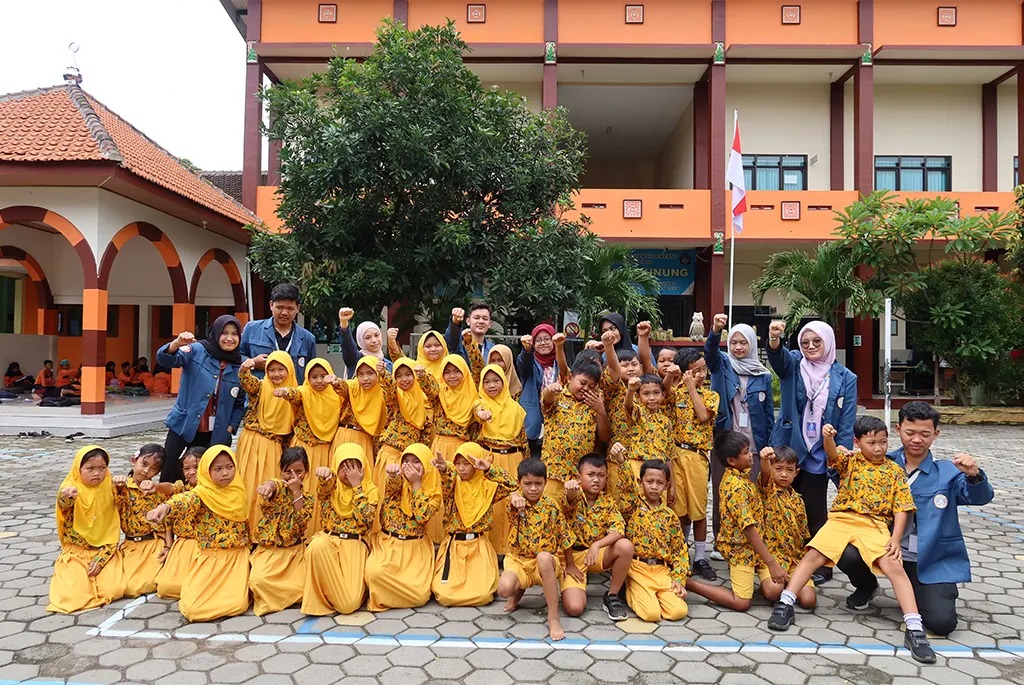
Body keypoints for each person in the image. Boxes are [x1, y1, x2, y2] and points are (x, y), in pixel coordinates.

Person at [766, 417, 936, 665]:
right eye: (871, 443)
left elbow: (902, 508)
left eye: (883, 442)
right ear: (857, 442)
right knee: (814, 554)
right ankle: (786, 603)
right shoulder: (850, 461)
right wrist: (827, 438)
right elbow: (832, 455)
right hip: (841, 519)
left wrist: (896, 539)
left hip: (874, 524)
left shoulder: (894, 471)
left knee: (893, 565)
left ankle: (914, 628)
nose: (878, 448)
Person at [837, 401, 993, 636]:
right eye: (910, 432)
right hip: (883, 550)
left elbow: (980, 497)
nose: (916, 439)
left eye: (925, 434)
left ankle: (920, 592)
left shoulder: (948, 472)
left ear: (936, 434)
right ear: (898, 429)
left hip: (929, 558)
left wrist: (975, 475)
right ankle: (867, 585)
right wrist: (841, 458)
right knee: (842, 548)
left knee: (941, 623)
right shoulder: (877, 462)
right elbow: (844, 483)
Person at [766, 319, 857, 584]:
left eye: (817, 341)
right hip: (790, 446)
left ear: (828, 342)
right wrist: (774, 338)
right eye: (805, 342)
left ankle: (822, 564)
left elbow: (847, 419)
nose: (810, 346)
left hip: (820, 449)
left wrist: (841, 450)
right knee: (780, 502)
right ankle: (784, 554)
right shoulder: (794, 363)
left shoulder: (846, 377)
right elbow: (778, 359)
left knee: (815, 509)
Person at [686, 432, 790, 612]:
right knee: (741, 603)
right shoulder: (735, 487)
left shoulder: (742, 474)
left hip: (758, 547)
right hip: (740, 550)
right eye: (746, 452)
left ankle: (756, 581)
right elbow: (749, 529)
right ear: (732, 461)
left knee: (774, 590)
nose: (750, 455)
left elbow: (765, 481)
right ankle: (690, 584)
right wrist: (771, 563)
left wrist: (765, 460)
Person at [146, 445, 251, 623]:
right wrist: (165, 507)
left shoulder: (238, 490)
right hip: (209, 557)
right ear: (207, 471)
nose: (225, 473)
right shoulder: (201, 494)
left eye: (229, 467)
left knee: (237, 604)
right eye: (218, 469)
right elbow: (184, 499)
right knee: (193, 608)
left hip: (236, 557)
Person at [705, 314, 775, 538]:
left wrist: (770, 445)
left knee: (753, 493)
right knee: (722, 492)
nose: (738, 347)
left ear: (751, 344)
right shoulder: (723, 365)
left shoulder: (763, 375)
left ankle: (752, 540)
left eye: (743, 342)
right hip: (727, 441)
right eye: (734, 342)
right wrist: (716, 331)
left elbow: (768, 414)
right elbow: (710, 354)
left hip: (754, 444)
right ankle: (721, 538)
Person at [156, 316, 245, 484]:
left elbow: (240, 404)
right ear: (215, 333)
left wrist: (230, 427)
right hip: (183, 424)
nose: (229, 338)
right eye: (224, 333)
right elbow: (165, 359)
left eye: (234, 334)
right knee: (170, 471)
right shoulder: (197, 350)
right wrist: (177, 343)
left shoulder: (240, 365)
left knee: (206, 477)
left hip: (216, 433)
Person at [430, 442, 517, 606]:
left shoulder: (487, 488)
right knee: (444, 595)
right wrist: (445, 468)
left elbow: (512, 484)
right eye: (458, 463)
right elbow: (447, 477)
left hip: (478, 547)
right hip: (454, 547)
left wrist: (488, 469)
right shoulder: (453, 485)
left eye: (466, 464)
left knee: (483, 595)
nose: (461, 468)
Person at [496, 457, 571, 641]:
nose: (533, 488)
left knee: (544, 558)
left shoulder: (551, 505)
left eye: (538, 483)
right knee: (503, 589)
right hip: (520, 561)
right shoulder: (514, 504)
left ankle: (553, 617)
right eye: (527, 484)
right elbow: (503, 482)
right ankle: (517, 593)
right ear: (519, 483)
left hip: (545, 563)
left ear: (545, 482)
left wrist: (570, 565)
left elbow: (565, 536)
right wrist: (513, 494)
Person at [303, 444, 380, 616]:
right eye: (344, 467)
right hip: (329, 540)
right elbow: (323, 488)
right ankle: (320, 600)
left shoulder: (370, 490)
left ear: (363, 468)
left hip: (354, 543)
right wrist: (325, 475)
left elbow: (365, 519)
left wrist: (357, 486)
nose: (349, 473)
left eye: (355, 466)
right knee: (316, 546)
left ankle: (334, 597)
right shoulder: (332, 486)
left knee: (349, 604)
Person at [47, 446, 125, 614]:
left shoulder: (109, 487)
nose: (97, 473)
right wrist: (66, 496)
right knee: (72, 598)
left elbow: (113, 528)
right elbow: (64, 503)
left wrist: (101, 559)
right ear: (78, 469)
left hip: (104, 550)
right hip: (77, 552)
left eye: (102, 468)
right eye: (90, 468)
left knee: (114, 590)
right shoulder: (71, 488)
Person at [364, 443, 442, 611]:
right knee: (374, 573)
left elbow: (421, 516)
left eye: (416, 461)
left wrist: (416, 484)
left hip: (415, 549)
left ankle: (392, 596)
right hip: (389, 546)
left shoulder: (433, 494)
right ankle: (390, 596)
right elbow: (393, 485)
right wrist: (393, 474)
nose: (410, 466)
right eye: (406, 461)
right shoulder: (398, 483)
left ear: (426, 465)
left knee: (420, 596)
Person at [613, 459, 689, 623]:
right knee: (651, 614)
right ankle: (629, 588)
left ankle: (656, 596)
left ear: (667, 486)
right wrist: (622, 462)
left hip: (662, 571)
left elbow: (679, 550)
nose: (654, 486)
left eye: (659, 483)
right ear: (640, 482)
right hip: (638, 568)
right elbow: (627, 488)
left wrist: (679, 579)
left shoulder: (670, 516)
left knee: (678, 611)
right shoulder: (632, 506)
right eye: (649, 481)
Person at [560, 453, 633, 621]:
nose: (596, 480)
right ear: (579, 477)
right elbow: (567, 506)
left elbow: (618, 530)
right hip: (571, 559)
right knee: (575, 608)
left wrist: (597, 545)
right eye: (590, 474)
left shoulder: (607, 501)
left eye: (601, 475)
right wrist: (570, 492)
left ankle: (612, 595)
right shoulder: (573, 495)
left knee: (625, 546)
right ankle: (566, 583)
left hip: (594, 556)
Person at [668, 347, 719, 580]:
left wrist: (691, 387)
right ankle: (680, 553)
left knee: (698, 509)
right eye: (695, 371)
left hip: (697, 456)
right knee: (679, 508)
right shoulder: (675, 393)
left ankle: (699, 557)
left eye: (703, 369)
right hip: (676, 454)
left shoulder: (710, 395)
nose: (701, 374)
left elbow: (703, 416)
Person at [274, 358, 341, 533]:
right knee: (298, 487)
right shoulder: (304, 392)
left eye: (323, 376)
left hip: (324, 452)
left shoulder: (337, 397)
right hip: (301, 452)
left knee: (320, 492)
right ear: (307, 378)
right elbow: (294, 394)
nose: (319, 381)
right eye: (314, 377)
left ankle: (317, 531)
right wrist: (285, 392)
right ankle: (295, 532)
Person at [237, 351, 297, 533]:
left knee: (268, 489)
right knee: (247, 487)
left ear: (290, 370)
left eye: (281, 369)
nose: (276, 374)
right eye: (271, 370)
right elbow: (247, 382)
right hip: (251, 443)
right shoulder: (261, 387)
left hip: (273, 447)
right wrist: (244, 369)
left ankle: (262, 531)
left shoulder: (294, 394)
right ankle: (244, 529)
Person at [249, 447, 313, 616]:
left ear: (306, 471)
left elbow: (301, 521)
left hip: (294, 553)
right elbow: (272, 484)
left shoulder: (307, 498)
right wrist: (267, 487)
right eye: (288, 472)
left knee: (305, 587)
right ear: (281, 471)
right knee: (258, 581)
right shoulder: (276, 488)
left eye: (299, 471)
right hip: (271, 551)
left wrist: (296, 492)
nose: (293, 476)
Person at [539, 355, 611, 502]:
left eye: (591, 386)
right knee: (552, 510)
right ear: (571, 378)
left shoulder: (595, 401)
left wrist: (601, 410)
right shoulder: (559, 395)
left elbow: (604, 437)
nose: (586, 389)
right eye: (582, 383)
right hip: (554, 474)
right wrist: (549, 390)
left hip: (581, 477)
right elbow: (546, 400)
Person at [474, 364, 527, 555]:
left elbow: (523, 440)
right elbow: (477, 411)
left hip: (513, 459)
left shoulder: (516, 409)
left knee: (512, 503)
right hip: (489, 460)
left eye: (496, 380)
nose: (491, 385)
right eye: (487, 382)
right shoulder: (481, 403)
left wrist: (526, 466)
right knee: (492, 505)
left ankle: (510, 550)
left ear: (504, 382)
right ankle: (491, 550)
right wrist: (482, 415)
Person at [424, 354, 478, 541]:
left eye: (456, 371)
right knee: (437, 489)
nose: (452, 375)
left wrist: (482, 414)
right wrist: (421, 375)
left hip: (462, 451)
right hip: (440, 447)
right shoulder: (440, 393)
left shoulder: (472, 396)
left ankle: (455, 535)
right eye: (447, 372)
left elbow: (478, 412)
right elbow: (428, 387)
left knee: (460, 491)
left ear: (465, 373)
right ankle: (436, 536)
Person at [756, 446, 815, 608]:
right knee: (773, 591)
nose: (784, 474)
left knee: (809, 600)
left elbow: (803, 535)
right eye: (778, 469)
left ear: (796, 472)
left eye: (789, 470)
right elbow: (765, 474)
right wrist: (764, 459)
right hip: (771, 557)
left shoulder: (798, 500)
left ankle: (789, 584)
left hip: (794, 559)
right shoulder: (767, 490)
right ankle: (770, 585)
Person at [112, 444, 167, 598]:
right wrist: (117, 488)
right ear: (134, 460)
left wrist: (167, 546)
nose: (146, 471)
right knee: (118, 584)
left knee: (138, 586)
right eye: (144, 464)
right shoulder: (121, 486)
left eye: (153, 468)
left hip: (153, 544)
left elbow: (168, 522)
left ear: (158, 472)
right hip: (130, 545)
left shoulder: (157, 490)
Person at [239, 282, 317, 383]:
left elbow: (311, 373)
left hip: (293, 392)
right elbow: (237, 357)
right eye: (280, 307)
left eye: (290, 308)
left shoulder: (308, 338)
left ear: (298, 308)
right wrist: (253, 362)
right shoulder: (252, 329)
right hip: (260, 391)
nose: (284, 313)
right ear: (271, 305)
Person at [375, 358, 433, 491]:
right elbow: (390, 389)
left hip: (409, 461)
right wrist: (383, 374)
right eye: (399, 376)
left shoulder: (423, 402)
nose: (404, 379)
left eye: (408, 374)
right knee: (387, 495)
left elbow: (425, 436)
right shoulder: (396, 397)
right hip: (390, 455)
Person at [154, 446, 202, 600]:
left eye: (196, 467)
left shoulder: (213, 490)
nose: (191, 472)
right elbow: (170, 488)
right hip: (182, 545)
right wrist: (168, 547)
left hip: (203, 546)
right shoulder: (181, 487)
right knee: (166, 587)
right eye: (186, 468)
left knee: (195, 586)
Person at [329, 357, 387, 467]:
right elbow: (344, 386)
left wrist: (384, 374)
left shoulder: (382, 391)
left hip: (365, 440)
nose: (365, 378)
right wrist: (336, 383)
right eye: (360, 374)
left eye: (370, 373)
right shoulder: (354, 387)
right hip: (345, 436)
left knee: (362, 473)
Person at [516, 323, 560, 459]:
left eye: (547, 339)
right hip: (534, 418)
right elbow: (523, 365)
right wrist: (527, 350)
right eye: (538, 340)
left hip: (557, 417)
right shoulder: (530, 362)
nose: (543, 343)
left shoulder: (560, 362)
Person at [338, 307, 393, 379]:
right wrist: (344, 323)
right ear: (361, 341)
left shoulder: (388, 364)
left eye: (376, 335)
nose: (374, 340)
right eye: (368, 337)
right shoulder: (356, 359)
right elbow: (347, 346)